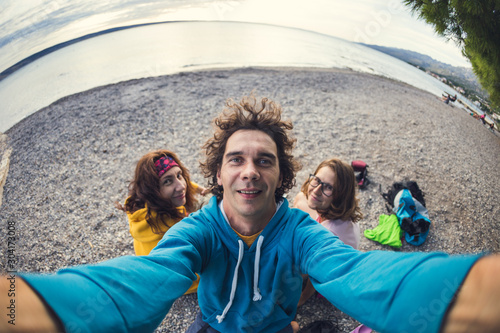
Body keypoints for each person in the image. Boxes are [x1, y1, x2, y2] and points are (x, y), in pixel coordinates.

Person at [2, 95, 500, 333]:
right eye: (236, 159)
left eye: (265, 160)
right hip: (211, 326)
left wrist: (477, 291)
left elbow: (356, 272)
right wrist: (18, 305)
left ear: (280, 177)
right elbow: (142, 279)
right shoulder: (197, 231)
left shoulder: (302, 231)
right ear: (217, 174)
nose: (249, 171)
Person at [115, 149, 208, 294]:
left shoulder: (142, 205)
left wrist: (199, 189)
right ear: (153, 190)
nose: (181, 185)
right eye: (167, 181)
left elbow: (185, 183)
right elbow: (192, 271)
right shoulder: (171, 229)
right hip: (191, 282)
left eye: (179, 175)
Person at [294, 158, 363, 307]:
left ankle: (301, 295)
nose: (316, 190)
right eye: (317, 180)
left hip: (332, 275)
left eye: (328, 188)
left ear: (340, 195)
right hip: (326, 244)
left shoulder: (328, 233)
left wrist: (303, 296)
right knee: (300, 198)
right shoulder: (337, 212)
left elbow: (317, 272)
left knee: (284, 268)